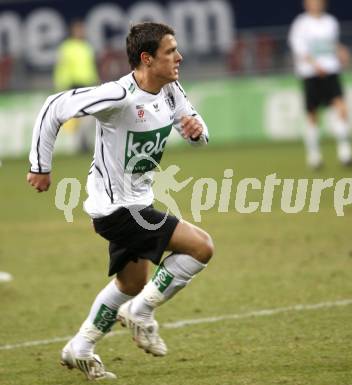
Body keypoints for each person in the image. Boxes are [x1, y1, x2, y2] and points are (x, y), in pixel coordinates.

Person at [27, 22, 214, 380]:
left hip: (135, 202)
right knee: (201, 247)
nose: (179, 57)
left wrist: (196, 130)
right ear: (147, 58)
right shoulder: (117, 96)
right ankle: (141, 313)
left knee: (131, 283)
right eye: (170, 51)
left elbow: (197, 131)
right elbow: (54, 107)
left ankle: (80, 348)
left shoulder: (170, 89)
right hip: (118, 210)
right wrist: (41, 166)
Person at [288, 0, 352, 169]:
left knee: (341, 109)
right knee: (312, 115)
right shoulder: (301, 24)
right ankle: (314, 156)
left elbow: (331, 45)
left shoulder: (331, 22)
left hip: (331, 71)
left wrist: (341, 50)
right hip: (310, 74)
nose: (315, 4)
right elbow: (299, 48)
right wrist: (314, 65)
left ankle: (345, 154)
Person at [53, 19, 100, 152]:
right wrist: (61, 86)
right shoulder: (66, 47)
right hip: (74, 85)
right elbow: (61, 68)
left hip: (89, 84)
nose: (81, 32)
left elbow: (91, 66)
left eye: (82, 29)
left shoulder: (87, 46)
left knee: (90, 116)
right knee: (78, 117)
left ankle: (83, 142)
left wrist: (96, 82)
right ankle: (80, 144)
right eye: (79, 29)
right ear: (73, 31)